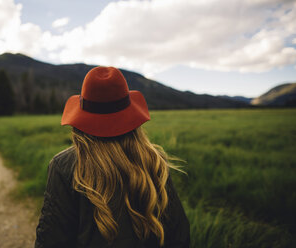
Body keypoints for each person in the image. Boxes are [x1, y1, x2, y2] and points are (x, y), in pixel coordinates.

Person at [35, 66, 190, 248]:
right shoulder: (155, 161)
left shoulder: (63, 166)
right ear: (130, 117)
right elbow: (179, 237)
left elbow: (52, 240)